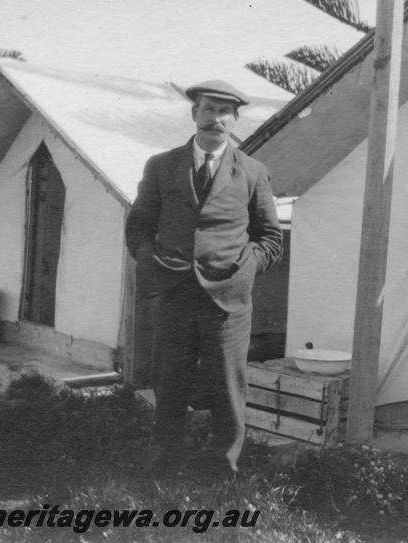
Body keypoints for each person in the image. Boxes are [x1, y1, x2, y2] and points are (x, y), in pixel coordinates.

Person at [125, 80, 283, 475]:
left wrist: (244, 270)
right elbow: (138, 227)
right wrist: (154, 261)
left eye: (225, 112)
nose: (216, 119)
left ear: (235, 120)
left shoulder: (252, 171)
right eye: (209, 109)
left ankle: (223, 473)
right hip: (174, 292)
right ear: (195, 114)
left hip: (227, 300)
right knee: (169, 384)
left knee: (228, 389)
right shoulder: (161, 166)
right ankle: (164, 467)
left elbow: (270, 238)